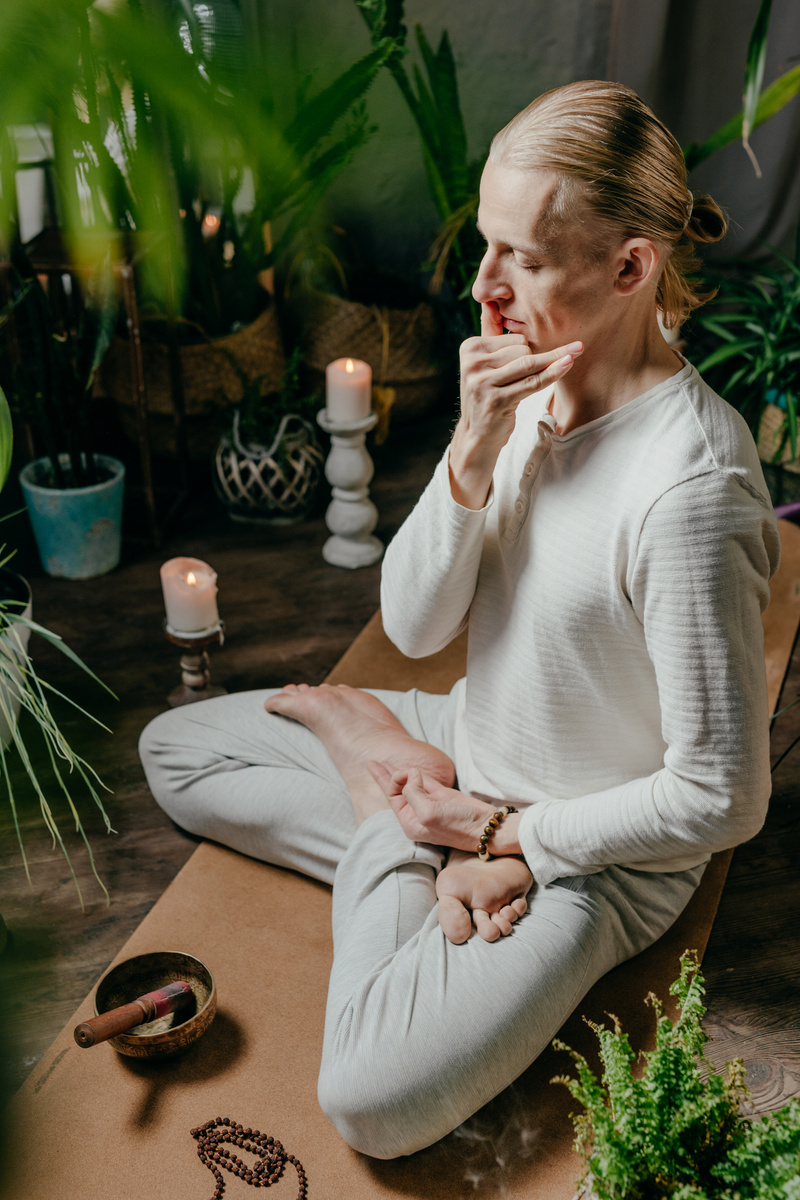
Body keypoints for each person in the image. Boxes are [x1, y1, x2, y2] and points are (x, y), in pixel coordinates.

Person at [139, 80, 780, 1160]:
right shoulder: (521, 383)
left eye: (520, 257)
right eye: (486, 244)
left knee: (370, 1101)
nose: (481, 285)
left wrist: (507, 838)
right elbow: (412, 624)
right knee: (177, 751)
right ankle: (406, 801)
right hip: (463, 738)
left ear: (629, 268)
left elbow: (722, 797)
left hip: (589, 852)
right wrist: (472, 449)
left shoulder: (691, 491)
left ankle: (392, 807)